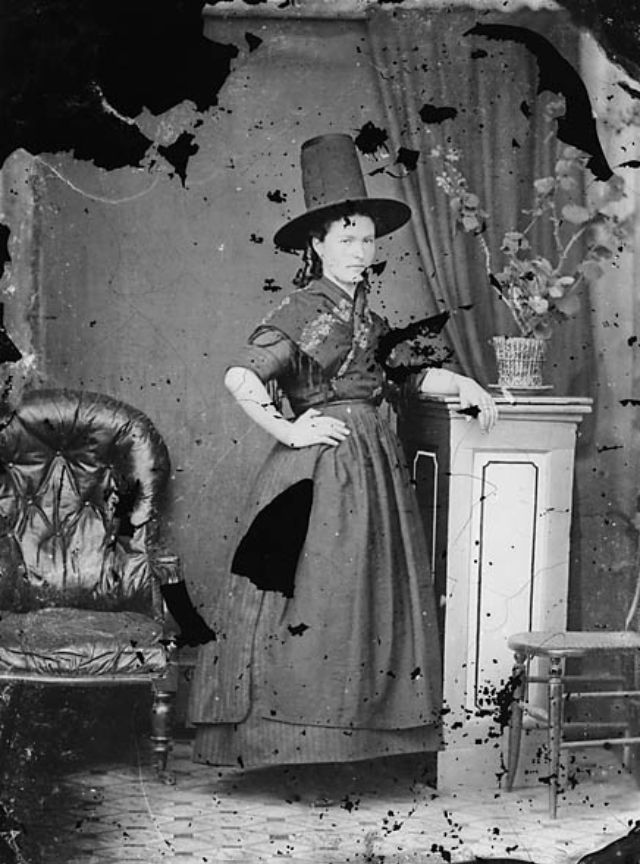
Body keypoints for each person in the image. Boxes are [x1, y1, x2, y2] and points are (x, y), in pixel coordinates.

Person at [188, 134, 497, 788]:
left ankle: (356, 750)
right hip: (319, 474)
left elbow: (405, 376)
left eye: (368, 240)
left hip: (373, 474)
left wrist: (466, 385)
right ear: (318, 244)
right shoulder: (304, 311)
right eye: (348, 239)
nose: (362, 250)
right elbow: (241, 376)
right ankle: (293, 749)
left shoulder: (370, 319)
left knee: (365, 605)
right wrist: (290, 429)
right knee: (316, 601)